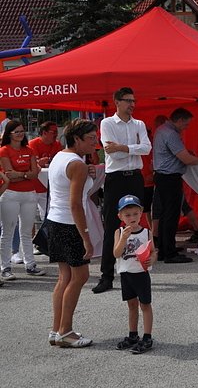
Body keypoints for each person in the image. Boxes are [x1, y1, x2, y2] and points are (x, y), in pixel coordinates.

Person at [42, 119, 97, 347]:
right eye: (91, 139)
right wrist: (86, 236)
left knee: (65, 277)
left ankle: (57, 330)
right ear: (77, 139)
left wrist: (88, 173)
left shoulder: (61, 157)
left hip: (55, 222)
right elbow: (75, 204)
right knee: (80, 277)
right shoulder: (76, 164)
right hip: (68, 224)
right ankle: (65, 331)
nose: (96, 143)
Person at [94, 87, 151, 294]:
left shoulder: (139, 124)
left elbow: (146, 148)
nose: (132, 105)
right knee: (111, 226)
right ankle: (106, 275)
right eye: (128, 101)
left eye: (134, 101)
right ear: (117, 102)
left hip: (134, 176)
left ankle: (138, 268)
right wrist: (130, 149)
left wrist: (123, 147)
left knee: (136, 222)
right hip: (116, 178)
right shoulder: (107, 123)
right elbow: (113, 155)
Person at [152, 108, 198, 264]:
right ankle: (170, 253)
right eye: (185, 124)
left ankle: (165, 249)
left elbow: (180, 155)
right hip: (169, 178)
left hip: (163, 177)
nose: (186, 127)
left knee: (166, 215)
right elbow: (186, 159)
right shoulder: (171, 134)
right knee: (171, 216)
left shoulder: (162, 130)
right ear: (178, 120)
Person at [0, 120, 45, 280]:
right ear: (9, 134)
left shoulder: (29, 149)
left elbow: (34, 173)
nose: (20, 134)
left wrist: (21, 175)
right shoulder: (4, 150)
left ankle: (30, 264)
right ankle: (5, 267)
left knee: (26, 231)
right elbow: (8, 174)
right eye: (16, 131)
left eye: (22, 131)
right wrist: (26, 174)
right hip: (10, 194)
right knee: (8, 232)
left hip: (29, 194)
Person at [112, 195, 155, 353]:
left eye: (135, 214)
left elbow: (153, 251)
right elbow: (116, 253)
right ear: (120, 216)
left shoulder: (146, 232)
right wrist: (123, 238)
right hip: (126, 273)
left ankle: (147, 336)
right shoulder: (119, 231)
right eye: (128, 215)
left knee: (145, 304)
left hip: (141, 273)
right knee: (131, 305)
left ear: (141, 213)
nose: (132, 218)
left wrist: (152, 258)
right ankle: (133, 334)